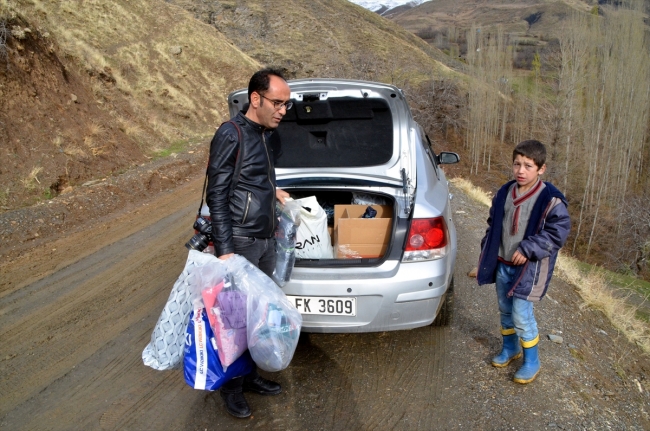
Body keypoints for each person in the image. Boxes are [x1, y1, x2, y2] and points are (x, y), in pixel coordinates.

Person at [206, 68, 292, 418]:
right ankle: (232, 388)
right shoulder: (231, 133)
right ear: (255, 98)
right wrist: (225, 249)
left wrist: (274, 193)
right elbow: (218, 194)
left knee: (258, 316)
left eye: (287, 104)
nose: (283, 110)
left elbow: (252, 180)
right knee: (233, 319)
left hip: (264, 239)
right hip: (239, 243)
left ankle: (250, 375)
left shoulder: (264, 133)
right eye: (277, 102)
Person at [477, 140, 571, 384]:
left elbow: (557, 233)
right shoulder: (504, 193)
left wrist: (529, 248)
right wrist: (485, 256)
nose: (521, 170)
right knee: (505, 312)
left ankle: (532, 361)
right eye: (517, 164)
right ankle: (510, 349)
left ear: (541, 169)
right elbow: (493, 226)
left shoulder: (550, 199)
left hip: (530, 269)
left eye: (528, 166)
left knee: (521, 315)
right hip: (503, 264)